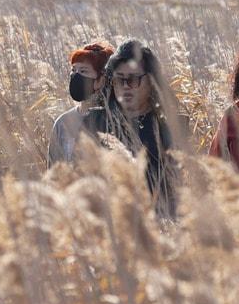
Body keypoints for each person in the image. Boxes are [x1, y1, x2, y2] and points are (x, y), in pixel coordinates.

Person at [82, 39, 182, 218]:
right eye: (119, 80)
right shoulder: (94, 122)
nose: (126, 86)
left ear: (152, 81)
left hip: (158, 225)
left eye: (134, 79)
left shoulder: (170, 127)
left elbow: (180, 190)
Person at [49, 41, 114, 165]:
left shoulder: (113, 122)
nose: (75, 76)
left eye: (83, 71)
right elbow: (53, 170)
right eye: (73, 70)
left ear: (100, 80)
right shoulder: (63, 122)